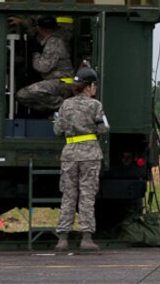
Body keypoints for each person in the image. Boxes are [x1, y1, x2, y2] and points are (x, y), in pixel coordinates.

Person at [53, 67, 109, 252]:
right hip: (90, 155)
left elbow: (57, 130)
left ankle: (62, 238)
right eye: (95, 85)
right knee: (87, 196)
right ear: (89, 86)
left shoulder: (65, 105)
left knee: (68, 195)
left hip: (69, 154)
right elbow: (103, 129)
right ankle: (86, 238)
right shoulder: (95, 105)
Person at [15, 15, 74, 113]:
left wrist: (35, 54)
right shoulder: (53, 38)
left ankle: (66, 108)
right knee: (23, 96)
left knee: (30, 92)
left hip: (62, 83)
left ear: (39, 28)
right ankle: (53, 111)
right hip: (55, 83)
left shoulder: (54, 42)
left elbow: (42, 67)